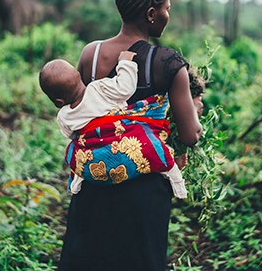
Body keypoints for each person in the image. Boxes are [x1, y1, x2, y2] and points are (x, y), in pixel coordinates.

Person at [58, 0, 202, 271]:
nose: (167, 15)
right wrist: (195, 111)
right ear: (152, 14)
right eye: (166, 9)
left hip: (94, 182)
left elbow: (82, 111)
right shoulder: (168, 64)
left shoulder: (91, 55)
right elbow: (190, 136)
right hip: (143, 193)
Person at [38, 51, 187, 198]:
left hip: (95, 159)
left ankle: (77, 181)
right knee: (151, 145)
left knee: (74, 151)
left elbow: (72, 135)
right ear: (78, 75)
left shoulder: (64, 116)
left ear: (58, 102)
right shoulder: (98, 88)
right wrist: (125, 62)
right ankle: (176, 181)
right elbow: (125, 88)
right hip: (122, 142)